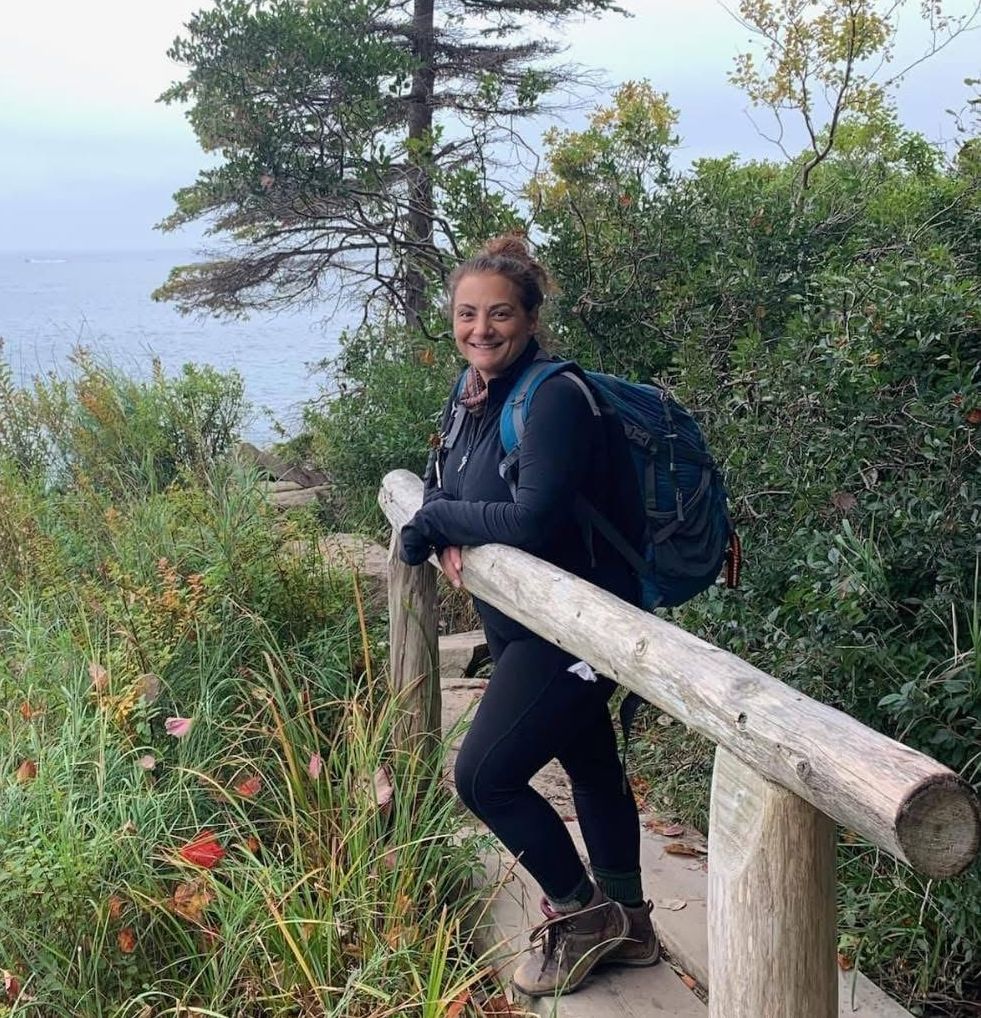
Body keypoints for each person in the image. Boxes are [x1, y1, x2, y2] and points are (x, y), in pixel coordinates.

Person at [398, 235, 659, 997]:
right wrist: (446, 515)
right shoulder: (472, 389)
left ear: (531, 318)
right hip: (520, 620)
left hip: (576, 623)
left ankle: (583, 914)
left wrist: (439, 521)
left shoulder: (552, 398)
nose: (480, 329)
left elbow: (534, 518)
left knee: (484, 777)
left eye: (499, 314)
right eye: (466, 314)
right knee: (590, 764)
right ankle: (631, 922)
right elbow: (447, 481)